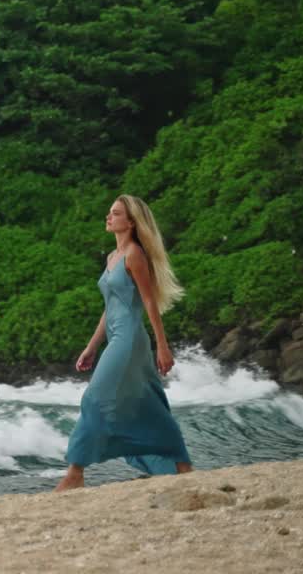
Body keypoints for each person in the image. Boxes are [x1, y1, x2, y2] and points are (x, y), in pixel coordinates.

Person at [55, 194, 193, 491]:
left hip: (129, 339)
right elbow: (110, 307)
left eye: (115, 213)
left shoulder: (134, 255)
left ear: (131, 222)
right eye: (109, 213)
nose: (108, 217)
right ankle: (181, 464)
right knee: (147, 403)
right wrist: (92, 346)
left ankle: (75, 473)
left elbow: (148, 301)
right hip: (116, 337)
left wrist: (163, 345)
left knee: (94, 398)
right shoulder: (111, 258)